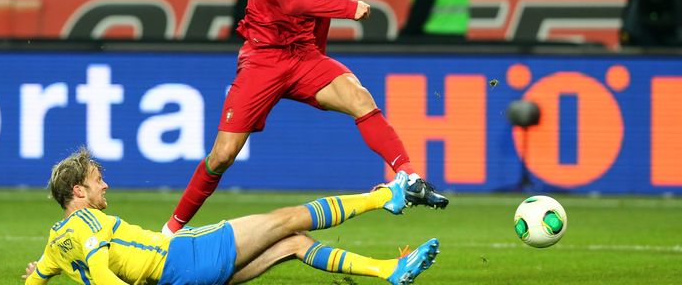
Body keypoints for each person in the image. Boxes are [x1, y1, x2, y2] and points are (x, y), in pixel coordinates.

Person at [164, 0, 449, 236]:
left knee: (359, 96)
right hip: (264, 59)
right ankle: (170, 231)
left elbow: (318, 22)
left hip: (304, 58)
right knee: (222, 155)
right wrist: (349, 7)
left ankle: (408, 177)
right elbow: (291, 3)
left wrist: (320, 61)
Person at [22, 147, 441, 284]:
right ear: (78, 190)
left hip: (175, 276)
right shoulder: (90, 224)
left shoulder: (56, 239)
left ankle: (390, 269)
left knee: (291, 245)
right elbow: (102, 275)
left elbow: (36, 277)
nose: (104, 186)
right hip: (183, 255)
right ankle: (388, 195)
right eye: (97, 180)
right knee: (290, 218)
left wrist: (36, 273)